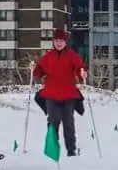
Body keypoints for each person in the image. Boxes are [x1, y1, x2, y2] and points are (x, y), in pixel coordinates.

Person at [32, 27, 87, 157]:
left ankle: (71, 151)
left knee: (68, 123)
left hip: (68, 95)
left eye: (61, 40)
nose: (59, 43)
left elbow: (80, 67)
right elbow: (39, 70)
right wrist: (34, 71)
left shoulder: (72, 55)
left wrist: (83, 72)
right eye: (56, 40)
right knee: (53, 122)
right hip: (51, 95)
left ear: (65, 42)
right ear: (53, 41)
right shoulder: (48, 56)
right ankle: (52, 149)